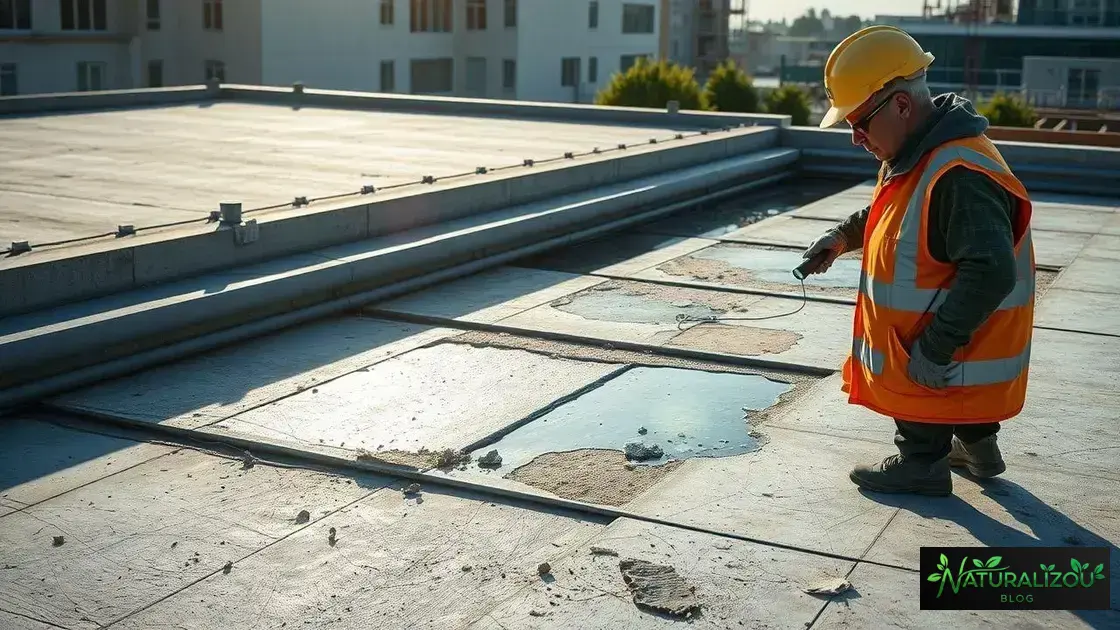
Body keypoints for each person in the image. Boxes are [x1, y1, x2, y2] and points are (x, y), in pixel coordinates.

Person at [802, 25, 1036, 497]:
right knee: (944, 378)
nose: (855, 139)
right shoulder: (922, 154)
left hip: (938, 346)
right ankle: (978, 448)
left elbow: (990, 270)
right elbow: (893, 210)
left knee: (921, 370)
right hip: (959, 357)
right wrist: (843, 237)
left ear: (902, 106)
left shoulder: (959, 175)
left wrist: (937, 344)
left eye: (860, 123)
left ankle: (921, 463)